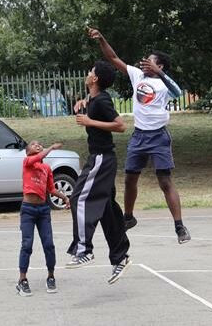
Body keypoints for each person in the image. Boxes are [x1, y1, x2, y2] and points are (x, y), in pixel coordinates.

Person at [88, 28, 191, 244]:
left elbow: (178, 92)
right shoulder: (137, 75)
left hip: (159, 137)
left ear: (160, 66)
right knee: (129, 179)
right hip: (139, 136)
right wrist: (102, 38)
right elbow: (113, 58)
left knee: (165, 181)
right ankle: (128, 217)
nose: (145, 64)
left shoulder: (164, 83)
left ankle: (179, 227)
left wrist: (160, 73)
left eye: (150, 62)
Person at [66, 61, 132, 284]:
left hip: (102, 158)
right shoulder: (94, 99)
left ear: (94, 79)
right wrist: (84, 103)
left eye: (90, 72)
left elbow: (121, 125)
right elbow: (94, 106)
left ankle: (84, 250)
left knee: (79, 199)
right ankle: (120, 256)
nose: (87, 74)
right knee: (107, 210)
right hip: (102, 158)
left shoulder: (102, 99)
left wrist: (89, 120)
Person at [15, 141, 70, 296]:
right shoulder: (27, 162)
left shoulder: (46, 168)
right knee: (27, 244)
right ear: (27, 152)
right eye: (33, 145)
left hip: (43, 210)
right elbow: (37, 157)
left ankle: (51, 276)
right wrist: (50, 148)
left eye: (40, 144)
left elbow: (51, 189)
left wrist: (64, 197)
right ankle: (22, 280)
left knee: (49, 244)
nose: (38, 145)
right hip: (28, 210)